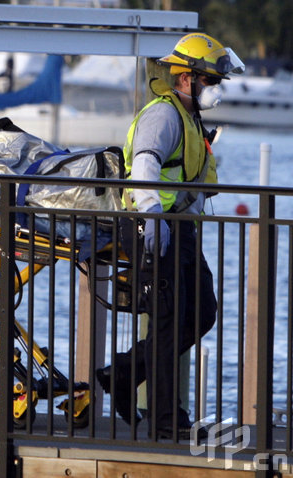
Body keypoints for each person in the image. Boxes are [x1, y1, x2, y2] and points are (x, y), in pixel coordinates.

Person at [96, 33, 245, 438]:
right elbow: (145, 165)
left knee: (201, 311)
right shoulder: (162, 115)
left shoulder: (191, 118)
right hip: (151, 224)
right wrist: (154, 217)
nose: (215, 90)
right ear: (186, 80)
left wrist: (182, 220)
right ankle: (165, 422)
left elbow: (189, 180)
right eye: (211, 82)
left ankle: (125, 373)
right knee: (166, 320)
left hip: (177, 228)